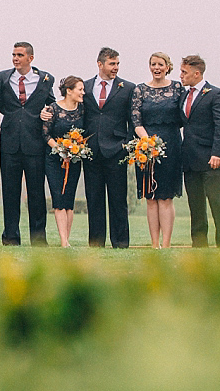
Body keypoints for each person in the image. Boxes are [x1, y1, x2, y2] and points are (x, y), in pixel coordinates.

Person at [0, 42, 54, 246]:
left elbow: (52, 104)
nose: (15, 58)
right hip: (9, 143)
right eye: (13, 54)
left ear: (30, 58)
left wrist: (48, 113)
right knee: (10, 193)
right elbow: (0, 104)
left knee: (37, 194)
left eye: (19, 55)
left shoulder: (45, 79)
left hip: (35, 143)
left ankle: (38, 239)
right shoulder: (3, 78)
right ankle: (10, 237)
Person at [82, 47, 134, 248]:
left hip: (116, 150)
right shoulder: (85, 87)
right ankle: (96, 243)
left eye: (118, 64)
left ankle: (120, 242)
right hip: (91, 151)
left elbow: (133, 119)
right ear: (100, 64)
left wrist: (126, 144)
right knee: (94, 199)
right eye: (112, 64)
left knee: (118, 199)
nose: (116, 68)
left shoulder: (128, 88)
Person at [179, 54, 220, 248]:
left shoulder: (216, 94)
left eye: (184, 72)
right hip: (190, 158)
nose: (181, 75)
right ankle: (199, 244)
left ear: (197, 73)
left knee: (217, 203)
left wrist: (217, 153)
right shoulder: (184, 95)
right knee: (196, 205)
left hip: (211, 159)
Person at [131, 52, 184, 249]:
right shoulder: (140, 90)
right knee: (151, 197)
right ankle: (154, 244)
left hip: (171, 145)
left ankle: (167, 243)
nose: (156, 68)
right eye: (153, 64)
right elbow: (136, 121)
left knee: (166, 197)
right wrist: (148, 143)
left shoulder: (177, 88)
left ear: (167, 67)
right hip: (146, 147)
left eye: (160, 64)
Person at [43, 75, 86, 248]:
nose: (83, 92)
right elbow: (46, 134)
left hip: (74, 160)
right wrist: (61, 150)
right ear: (69, 91)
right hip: (54, 160)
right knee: (59, 198)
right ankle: (63, 241)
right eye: (80, 89)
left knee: (69, 199)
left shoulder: (82, 109)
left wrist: (75, 151)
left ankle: (66, 239)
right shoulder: (53, 109)